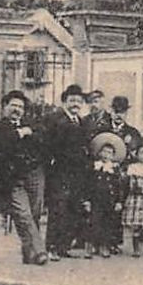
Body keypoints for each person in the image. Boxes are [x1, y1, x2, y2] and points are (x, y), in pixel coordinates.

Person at [0, 90, 48, 266]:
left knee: (34, 213)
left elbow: (43, 140)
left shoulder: (32, 124)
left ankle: (29, 254)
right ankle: (40, 251)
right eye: (13, 105)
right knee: (23, 213)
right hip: (12, 178)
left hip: (34, 174)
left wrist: (29, 133)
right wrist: (21, 134)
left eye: (20, 107)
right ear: (5, 107)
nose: (17, 110)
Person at [44, 84, 93, 260]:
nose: (75, 104)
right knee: (58, 209)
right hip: (60, 172)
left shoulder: (82, 122)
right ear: (65, 101)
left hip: (77, 173)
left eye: (79, 101)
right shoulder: (56, 120)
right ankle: (51, 247)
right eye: (72, 100)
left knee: (73, 209)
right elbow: (48, 146)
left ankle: (64, 246)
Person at [84, 136, 127, 258]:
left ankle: (104, 247)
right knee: (93, 223)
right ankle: (90, 247)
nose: (106, 155)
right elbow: (88, 184)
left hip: (109, 200)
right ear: (99, 153)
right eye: (104, 151)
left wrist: (119, 201)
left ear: (113, 156)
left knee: (107, 224)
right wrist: (87, 200)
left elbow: (119, 186)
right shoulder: (94, 167)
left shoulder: (114, 169)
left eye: (109, 153)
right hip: (95, 200)